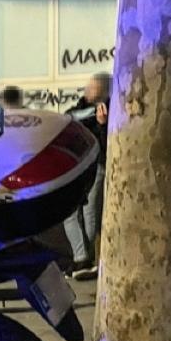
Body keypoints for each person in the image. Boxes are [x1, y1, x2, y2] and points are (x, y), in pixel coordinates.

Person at [64, 73, 111, 280]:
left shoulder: (109, 112)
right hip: (77, 168)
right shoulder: (79, 109)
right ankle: (83, 257)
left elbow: (108, 145)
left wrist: (102, 125)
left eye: (92, 88)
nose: (88, 91)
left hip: (96, 166)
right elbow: (68, 119)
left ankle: (84, 257)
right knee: (72, 212)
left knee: (89, 211)